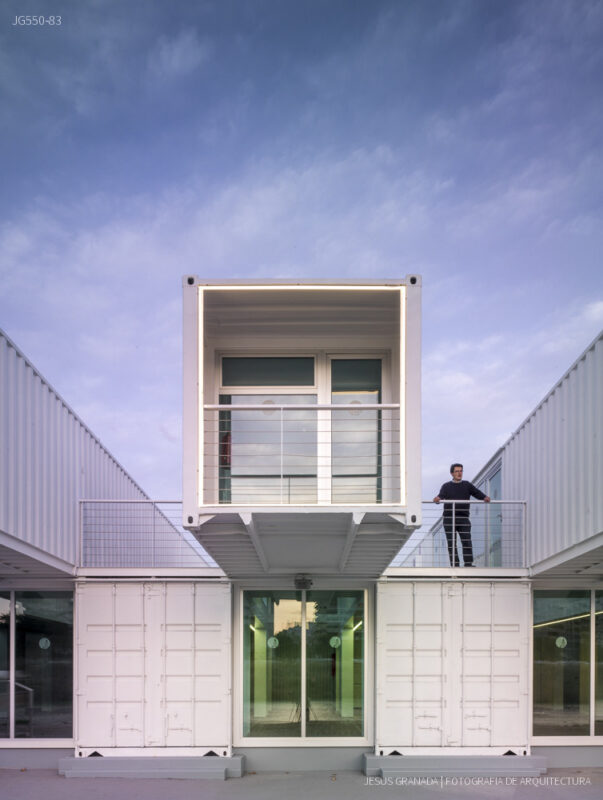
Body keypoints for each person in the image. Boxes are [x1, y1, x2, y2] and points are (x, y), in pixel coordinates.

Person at [433, 463, 490, 567]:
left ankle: (468, 564)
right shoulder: (446, 486)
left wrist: (484, 497)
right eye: (457, 471)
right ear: (452, 473)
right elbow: (440, 496)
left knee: (466, 540)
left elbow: (477, 493)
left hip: (463, 518)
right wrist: (437, 499)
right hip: (449, 518)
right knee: (452, 543)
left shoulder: (467, 485)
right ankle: (455, 565)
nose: (459, 473)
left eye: (461, 471)